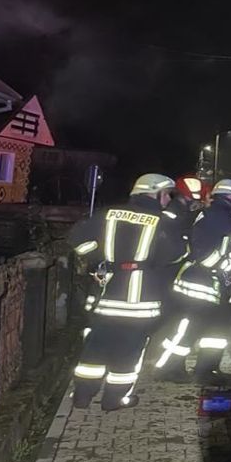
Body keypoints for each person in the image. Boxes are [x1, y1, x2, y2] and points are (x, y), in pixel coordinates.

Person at [69, 173, 186, 410]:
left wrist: (97, 258)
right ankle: (114, 399)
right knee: (128, 353)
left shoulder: (108, 214)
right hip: (140, 303)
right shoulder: (162, 221)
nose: (167, 200)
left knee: (95, 347)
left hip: (106, 297)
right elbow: (176, 254)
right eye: (167, 195)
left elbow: (76, 238)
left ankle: (81, 396)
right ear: (156, 193)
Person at [155, 178, 231, 382]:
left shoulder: (221, 215)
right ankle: (167, 369)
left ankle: (206, 370)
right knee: (188, 330)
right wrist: (226, 270)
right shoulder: (217, 217)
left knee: (216, 331)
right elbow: (204, 254)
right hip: (201, 284)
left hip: (214, 285)